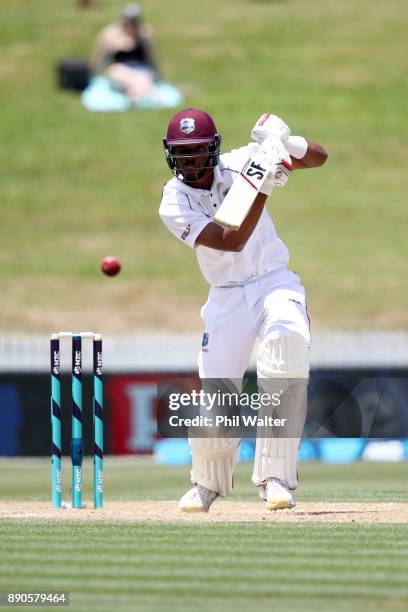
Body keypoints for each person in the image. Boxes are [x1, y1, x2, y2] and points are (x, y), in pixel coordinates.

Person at [159, 108, 328, 513]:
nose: (192, 161)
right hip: (227, 294)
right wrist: (263, 181)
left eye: (199, 151)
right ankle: (207, 484)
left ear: (214, 149)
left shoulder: (240, 162)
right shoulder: (173, 200)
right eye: (183, 153)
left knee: (286, 355)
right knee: (218, 390)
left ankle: (274, 479)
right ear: (170, 155)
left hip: (273, 280)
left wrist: (286, 144)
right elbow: (229, 238)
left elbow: (319, 157)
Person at [90, 3, 161, 103]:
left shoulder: (143, 34)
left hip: (140, 69)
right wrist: (92, 75)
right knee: (121, 77)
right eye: (129, 21)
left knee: (142, 80)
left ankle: (136, 95)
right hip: (120, 68)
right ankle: (137, 95)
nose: (131, 25)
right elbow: (101, 57)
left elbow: (151, 57)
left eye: (134, 22)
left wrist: (159, 75)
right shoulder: (111, 34)